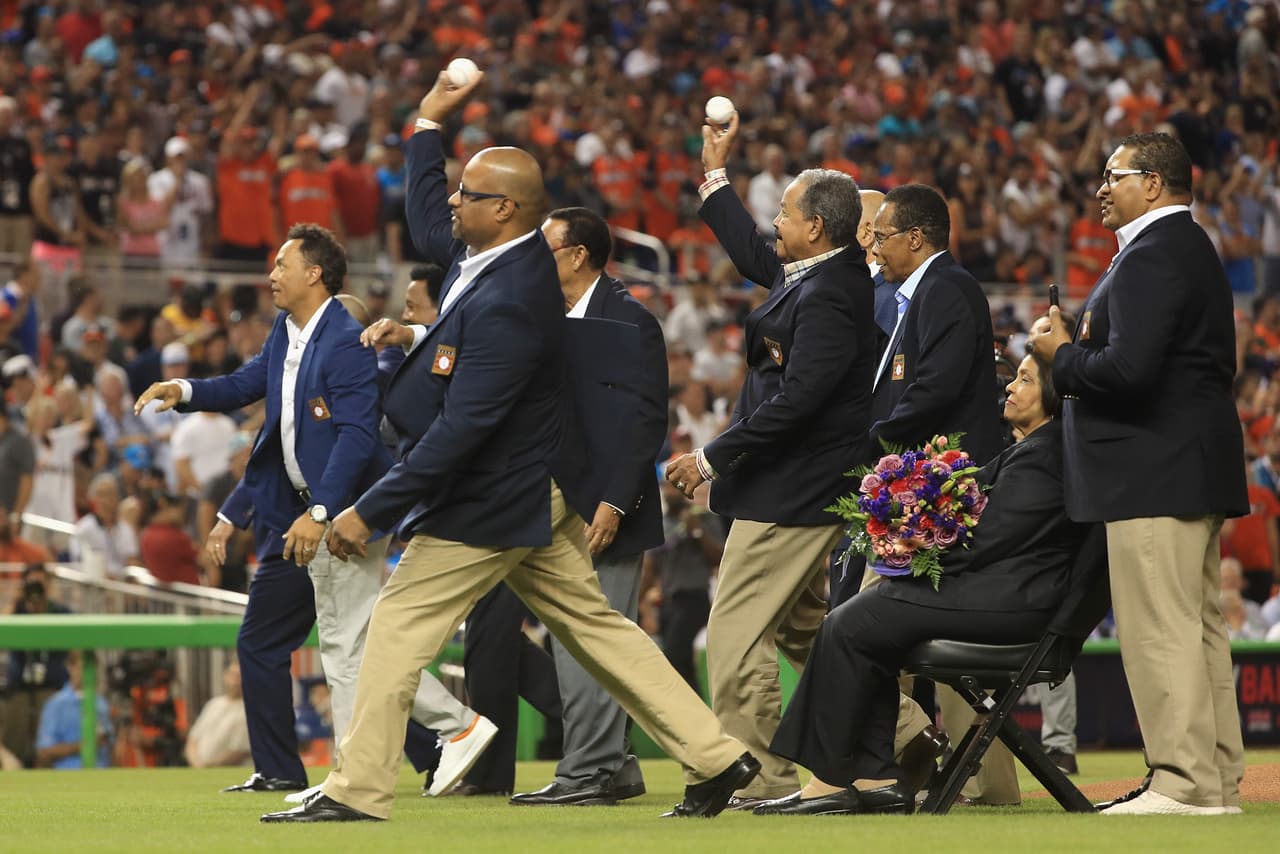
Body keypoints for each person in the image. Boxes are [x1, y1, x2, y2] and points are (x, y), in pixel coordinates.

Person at [263, 71, 755, 824]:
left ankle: (356, 791)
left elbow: (466, 429)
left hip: (490, 497)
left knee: (393, 627)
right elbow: (429, 219)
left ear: (504, 209)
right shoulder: (488, 260)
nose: (453, 202)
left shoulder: (514, 301)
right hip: (531, 490)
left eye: (468, 193)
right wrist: (427, 125)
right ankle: (718, 756)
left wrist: (371, 508)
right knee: (597, 628)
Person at [136, 224, 487, 799]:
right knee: (350, 646)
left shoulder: (346, 340)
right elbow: (247, 383)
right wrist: (185, 390)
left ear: (314, 273)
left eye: (281, 264)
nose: (271, 274)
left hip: (345, 513)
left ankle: (440, 735)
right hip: (313, 510)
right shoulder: (289, 330)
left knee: (350, 647)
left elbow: (354, 437)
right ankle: (372, 766)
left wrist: (323, 511)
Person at [760, 351, 1090, 815]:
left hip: (1013, 603)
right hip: (1005, 594)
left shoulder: (1046, 455)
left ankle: (832, 780)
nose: (1011, 387)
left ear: (1054, 396)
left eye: (1025, 379)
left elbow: (989, 543)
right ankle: (873, 775)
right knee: (860, 624)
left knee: (849, 624)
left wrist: (912, 544)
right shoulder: (1037, 450)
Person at [1030, 132, 1248, 816]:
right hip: (1182, 465)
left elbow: (1128, 374)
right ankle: (1211, 782)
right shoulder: (1178, 249)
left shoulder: (1156, 254)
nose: (1100, 186)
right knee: (1195, 626)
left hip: (1154, 468)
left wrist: (1062, 354)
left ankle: (1182, 784)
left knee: (1164, 629)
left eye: (1113, 175)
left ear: (1153, 184)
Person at [663, 109, 875, 806]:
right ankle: (902, 739)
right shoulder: (814, 275)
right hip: (788, 483)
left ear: (816, 226)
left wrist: (710, 458)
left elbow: (802, 401)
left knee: (731, 634)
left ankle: (760, 777)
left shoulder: (833, 293)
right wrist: (715, 173)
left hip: (791, 488)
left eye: (783, 211)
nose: (775, 221)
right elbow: (757, 257)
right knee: (806, 630)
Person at [509, 206, 668, 807]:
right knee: (572, 641)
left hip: (605, 511)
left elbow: (646, 419)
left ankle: (589, 773)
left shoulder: (629, 319)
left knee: (594, 641)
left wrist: (615, 502)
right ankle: (612, 766)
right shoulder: (543, 317)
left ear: (578, 255)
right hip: (549, 504)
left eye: (544, 249)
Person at [2, 563, 70, 767]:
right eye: (32, 584)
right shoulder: (17, 611)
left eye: (41, 584)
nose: (36, 590)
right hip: (19, 689)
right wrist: (15, 602)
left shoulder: (60, 612)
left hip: (52, 689)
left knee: (47, 753)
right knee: (12, 750)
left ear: (49, 585)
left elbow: (75, 649)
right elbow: (2, 631)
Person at [35, 650, 112, 769]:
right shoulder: (56, 704)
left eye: (93, 668)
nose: (89, 673)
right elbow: (44, 751)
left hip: (101, 775)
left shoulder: (101, 703)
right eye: (83, 667)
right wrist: (82, 746)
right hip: (68, 777)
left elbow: (109, 744)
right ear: (70, 667)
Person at [184, 660, 252, 769]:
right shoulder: (213, 704)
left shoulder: (250, 710)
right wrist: (197, 764)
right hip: (199, 769)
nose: (235, 681)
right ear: (225, 676)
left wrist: (210, 765)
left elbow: (240, 751)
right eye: (233, 675)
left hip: (229, 771)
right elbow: (193, 740)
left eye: (239, 676)